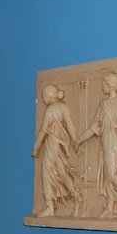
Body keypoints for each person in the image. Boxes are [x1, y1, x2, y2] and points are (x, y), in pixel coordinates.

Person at [75, 73, 117, 220]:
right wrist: (78, 141)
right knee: (109, 176)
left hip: (112, 144)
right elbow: (94, 128)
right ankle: (110, 209)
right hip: (108, 143)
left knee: (112, 175)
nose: (101, 87)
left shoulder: (116, 103)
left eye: (103, 84)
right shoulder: (106, 104)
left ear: (110, 85)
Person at [32, 84, 82, 217]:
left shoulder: (50, 110)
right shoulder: (63, 107)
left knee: (46, 174)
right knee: (62, 172)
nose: (43, 100)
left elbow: (43, 131)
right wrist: (75, 140)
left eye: (43, 97)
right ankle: (76, 195)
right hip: (60, 145)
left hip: (52, 145)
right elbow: (69, 124)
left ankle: (50, 207)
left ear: (49, 96)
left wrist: (36, 147)